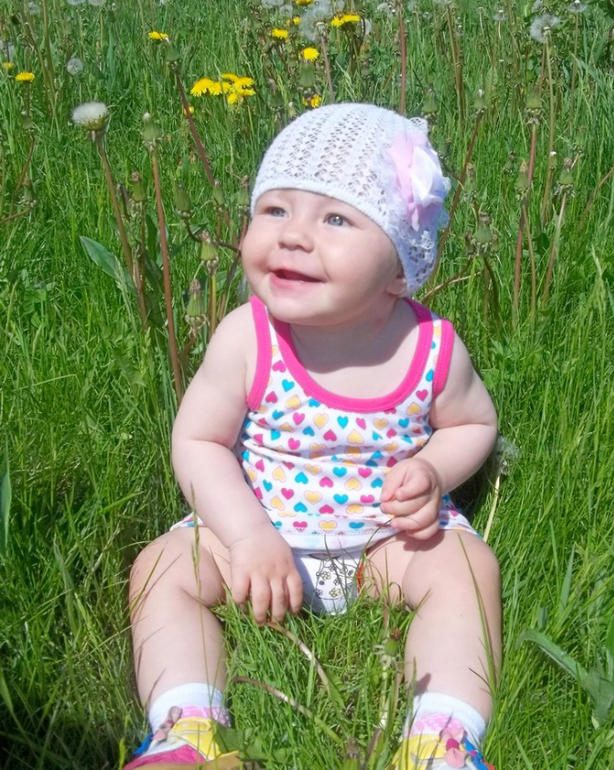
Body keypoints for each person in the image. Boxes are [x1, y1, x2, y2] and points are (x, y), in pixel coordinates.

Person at [125, 103, 501, 770]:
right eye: (275, 209)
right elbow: (199, 442)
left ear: (399, 266)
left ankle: (440, 740)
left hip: (385, 544)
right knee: (161, 568)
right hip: (255, 534)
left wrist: (435, 471)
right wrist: (247, 535)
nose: (294, 235)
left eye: (336, 219)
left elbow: (474, 423)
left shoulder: (430, 346)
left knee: (468, 570)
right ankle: (186, 730)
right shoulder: (248, 336)